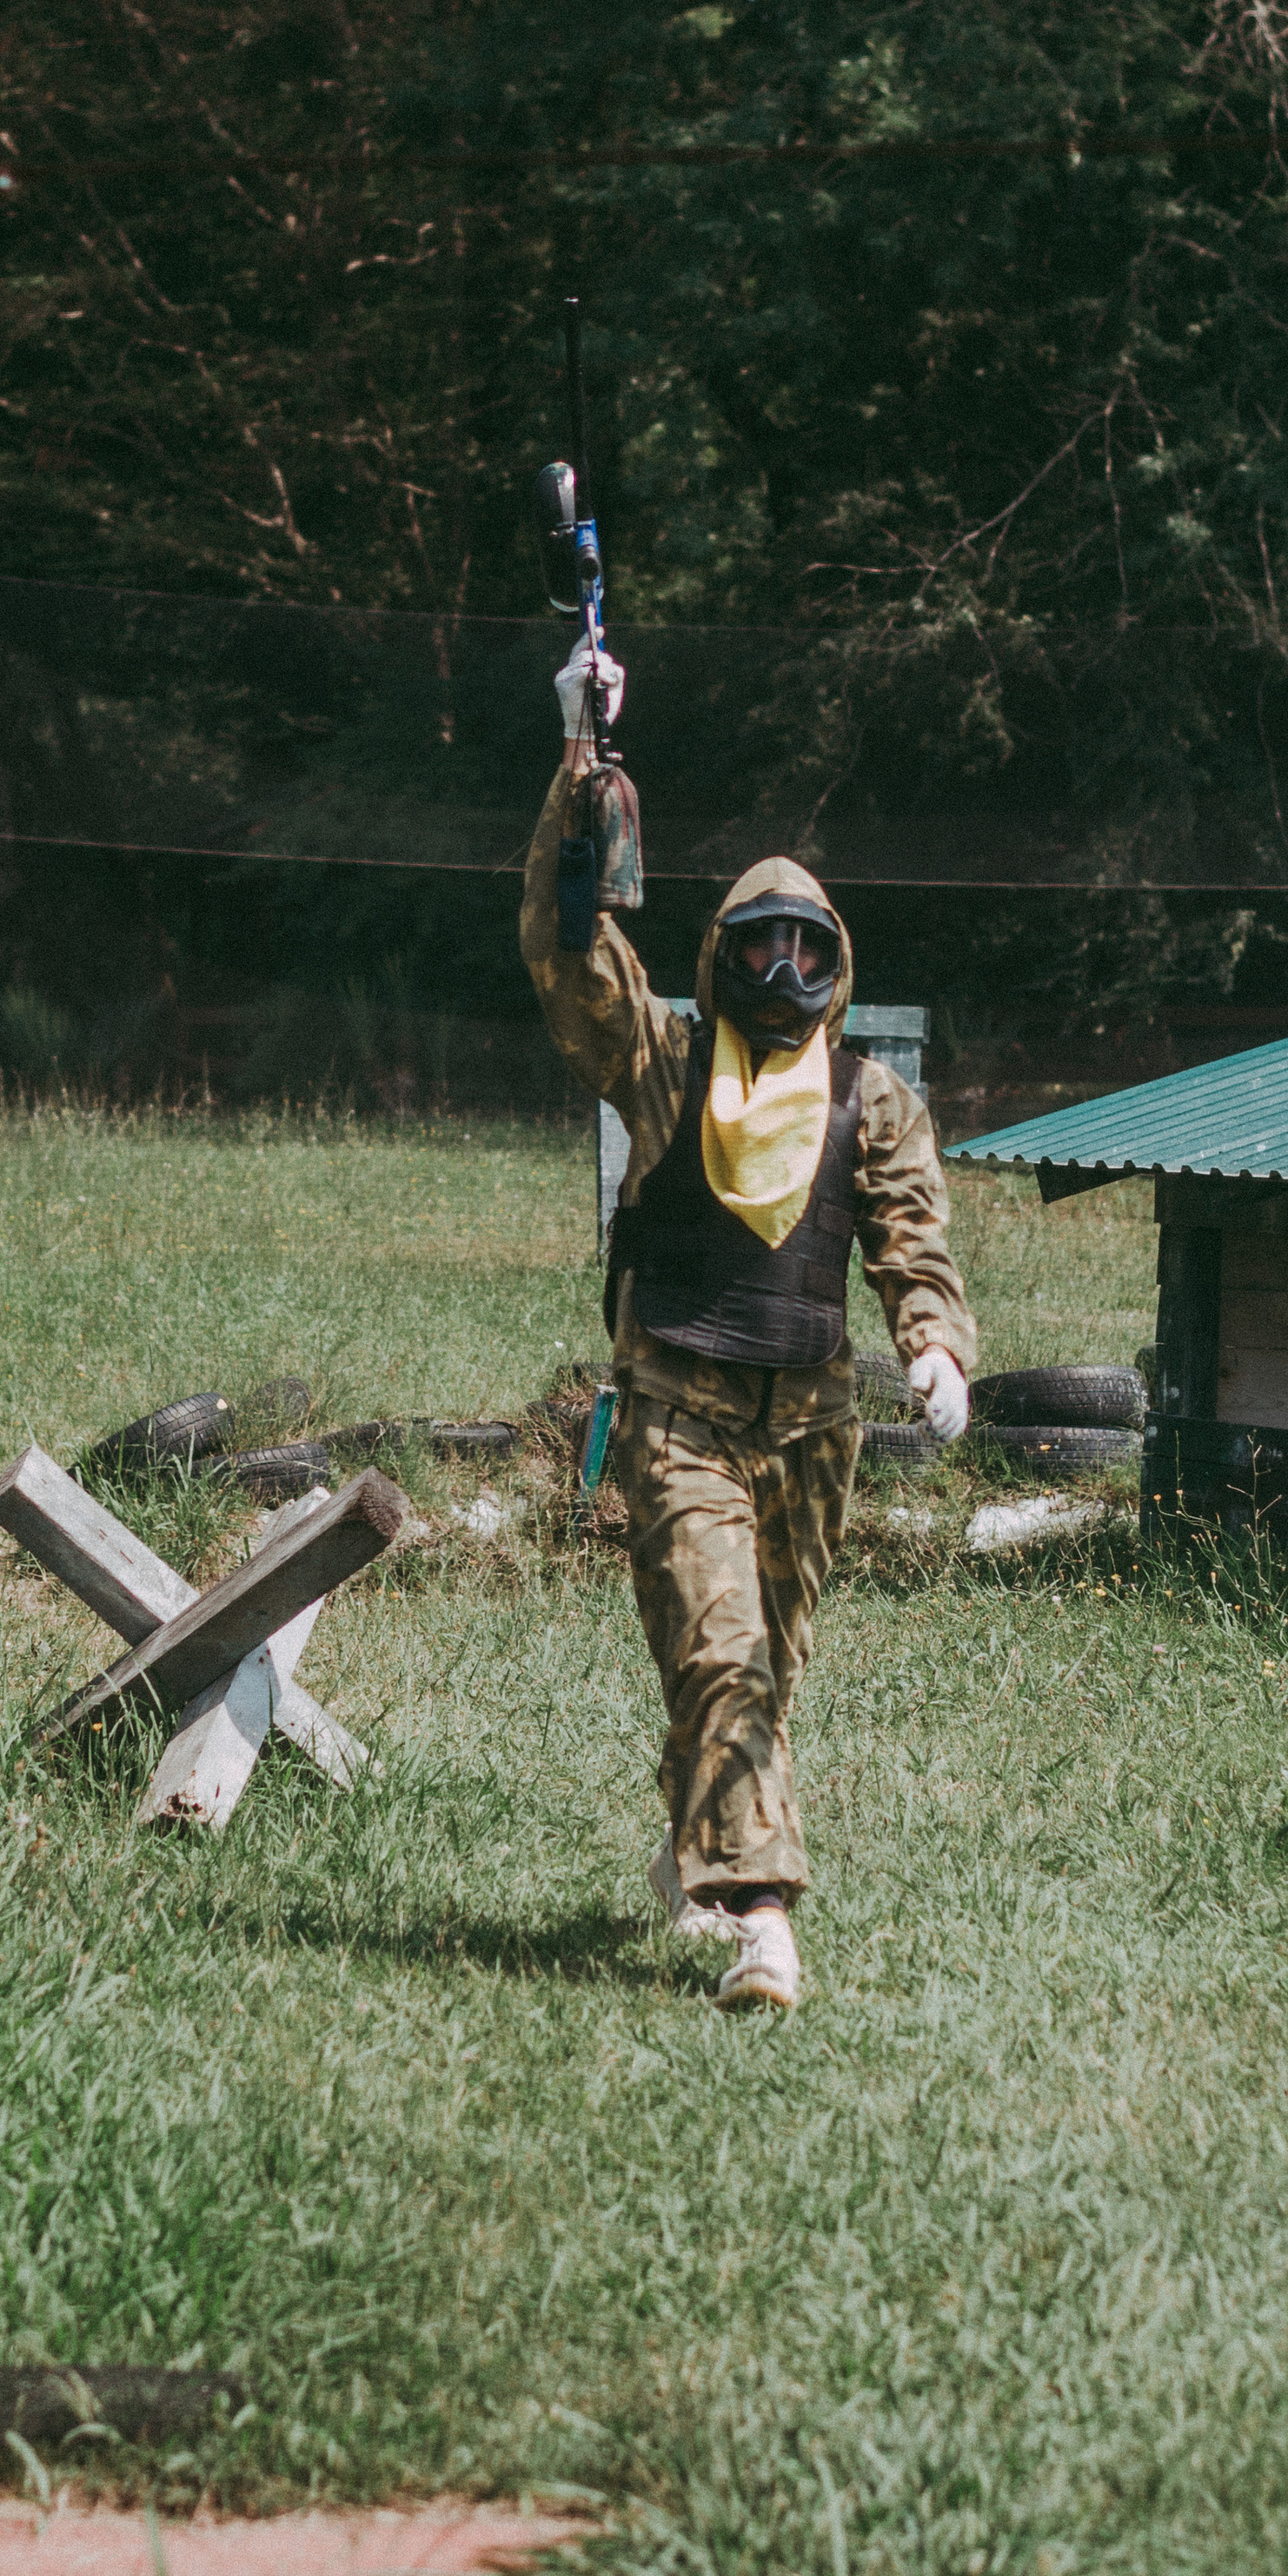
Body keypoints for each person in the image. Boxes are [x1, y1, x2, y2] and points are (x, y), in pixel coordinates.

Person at [521, 631, 977, 2011]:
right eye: (758, 943)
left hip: (816, 1432)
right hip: (677, 1417)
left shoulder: (872, 1099)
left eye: (806, 945)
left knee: (761, 1670)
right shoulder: (661, 1059)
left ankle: (698, 1838)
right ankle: (764, 1920)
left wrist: (935, 1341)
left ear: (835, 962)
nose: (781, 966)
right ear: (722, 954)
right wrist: (578, 760)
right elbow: (563, 938)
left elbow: (912, 1233)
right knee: (720, 1655)